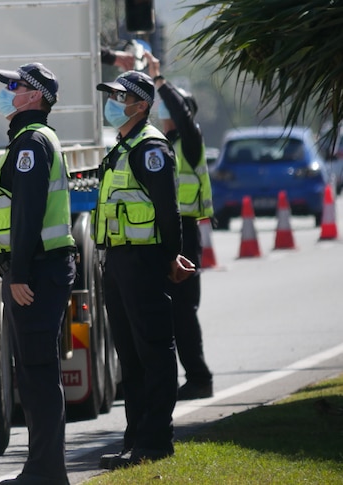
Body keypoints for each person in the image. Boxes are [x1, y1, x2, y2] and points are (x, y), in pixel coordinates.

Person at [0, 62, 76, 485]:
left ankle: (46, 471)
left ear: (34, 96)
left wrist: (17, 275)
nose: (8, 92)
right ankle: (44, 469)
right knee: (34, 372)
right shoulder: (28, 139)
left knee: (37, 372)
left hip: (36, 271)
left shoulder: (31, 142)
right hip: (39, 268)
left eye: (14, 86)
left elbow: (28, 212)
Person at [92, 70, 195, 469]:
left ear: (141, 104)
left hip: (144, 259)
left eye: (120, 97)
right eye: (112, 95)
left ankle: (156, 441)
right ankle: (135, 438)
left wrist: (172, 256)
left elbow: (168, 210)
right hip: (118, 260)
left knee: (153, 348)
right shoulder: (122, 146)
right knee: (129, 355)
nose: (113, 102)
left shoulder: (151, 147)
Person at [147, 53, 215, 401]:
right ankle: (184, 378)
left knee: (183, 312)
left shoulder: (190, 140)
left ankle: (199, 378)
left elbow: (184, 118)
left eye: (169, 108)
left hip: (186, 232)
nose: (164, 113)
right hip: (173, 230)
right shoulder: (166, 146)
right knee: (172, 311)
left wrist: (160, 81)